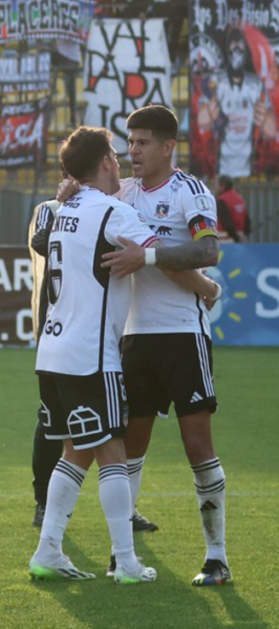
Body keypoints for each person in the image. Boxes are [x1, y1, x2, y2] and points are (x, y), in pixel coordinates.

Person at [30, 125, 219, 585]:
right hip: (92, 355)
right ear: (107, 164)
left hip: (52, 351)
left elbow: (41, 242)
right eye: (120, 151)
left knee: (75, 451)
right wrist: (208, 288)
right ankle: (126, 561)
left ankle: (48, 550)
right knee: (112, 453)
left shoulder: (59, 210)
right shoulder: (113, 212)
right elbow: (170, 259)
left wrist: (66, 190)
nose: (126, 157)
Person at [112, 106, 230, 585]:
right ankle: (124, 556)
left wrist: (151, 254)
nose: (132, 151)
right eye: (130, 142)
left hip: (183, 334)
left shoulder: (189, 191)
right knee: (128, 449)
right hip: (135, 336)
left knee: (197, 444)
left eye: (142, 143)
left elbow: (208, 250)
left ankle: (216, 556)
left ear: (167, 147)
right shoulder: (122, 192)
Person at [26, 196, 63, 529]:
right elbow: (41, 242)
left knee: (115, 425)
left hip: (101, 334)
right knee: (52, 421)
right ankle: (43, 501)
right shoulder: (48, 209)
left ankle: (127, 506)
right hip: (54, 332)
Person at [196, 26, 277, 178]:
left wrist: (265, 119)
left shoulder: (255, 85)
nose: (237, 51)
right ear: (227, 50)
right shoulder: (217, 83)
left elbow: (272, 130)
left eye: (240, 45)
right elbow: (201, 120)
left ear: (246, 50)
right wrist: (211, 114)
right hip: (222, 166)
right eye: (233, 45)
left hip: (249, 166)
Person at [215, 174, 251, 243]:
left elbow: (226, 222)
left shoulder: (222, 200)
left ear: (222, 186)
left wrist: (236, 237)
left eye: (217, 184)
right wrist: (245, 236)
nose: (216, 187)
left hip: (226, 239)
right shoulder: (239, 198)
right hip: (241, 237)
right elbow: (247, 221)